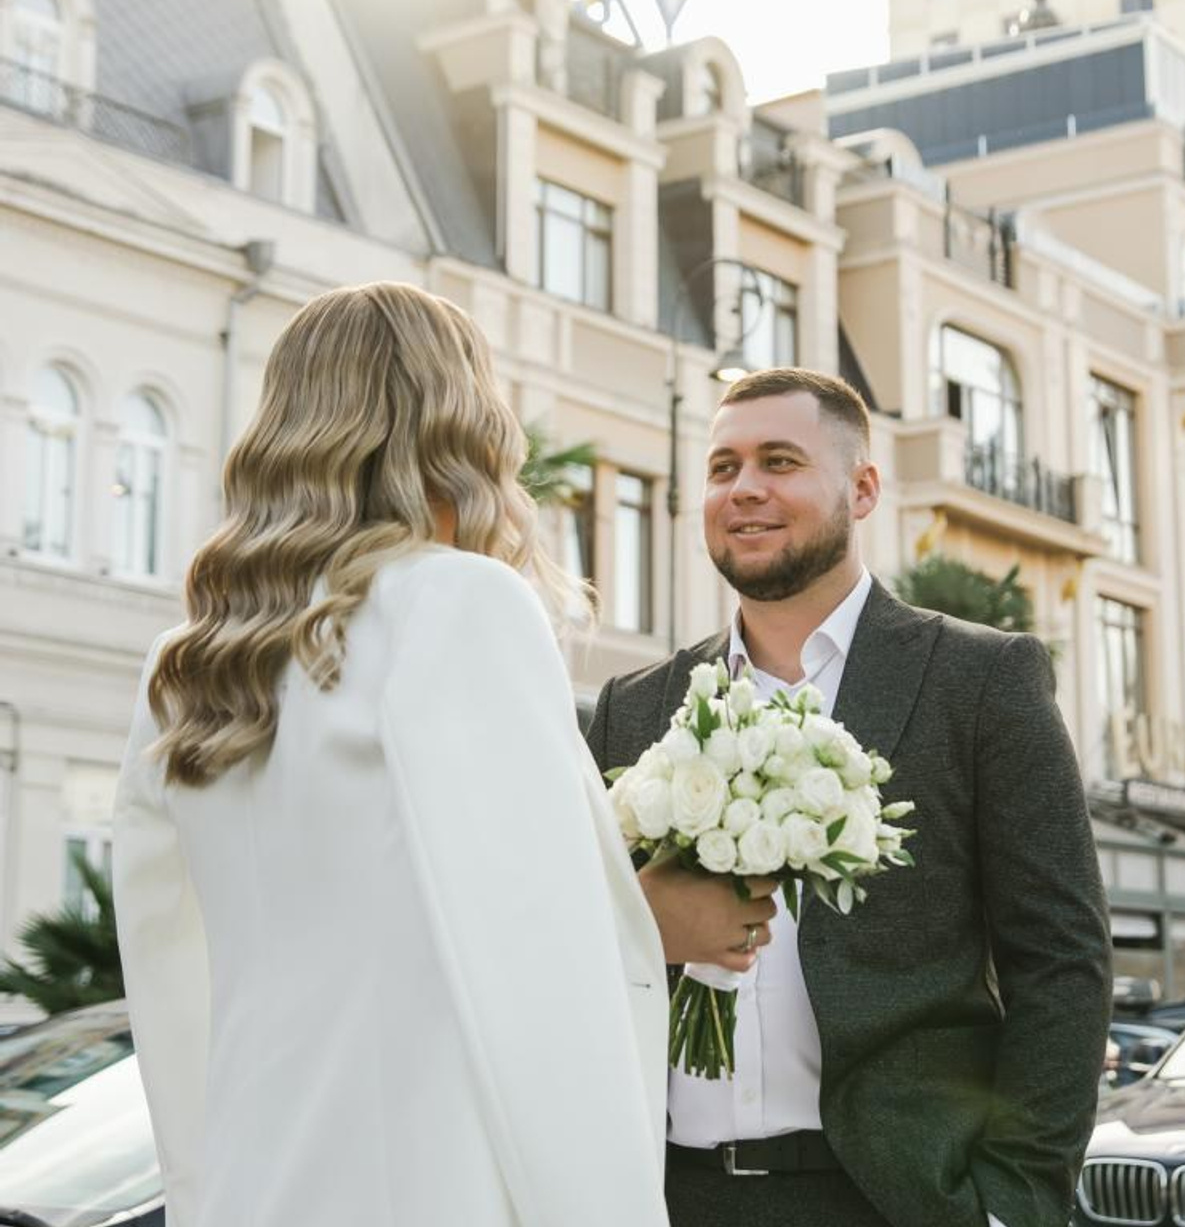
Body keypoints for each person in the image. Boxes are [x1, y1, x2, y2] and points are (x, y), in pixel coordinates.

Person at [113, 283, 670, 1227]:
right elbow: (541, 981)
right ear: (461, 427)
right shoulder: (459, 605)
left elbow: (167, 977)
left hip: (255, 1189)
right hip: (432, 1186)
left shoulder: (186, 666)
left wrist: (203, 1196)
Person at [586, 367, 1112, 1227]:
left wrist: (1015, 1201)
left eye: (779, 461)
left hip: (896, 1196)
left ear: (862, 488)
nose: (744, 489)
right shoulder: (634, 709)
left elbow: (1062, 961)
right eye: (722, 468)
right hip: (668, 1197)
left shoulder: (981, 681)